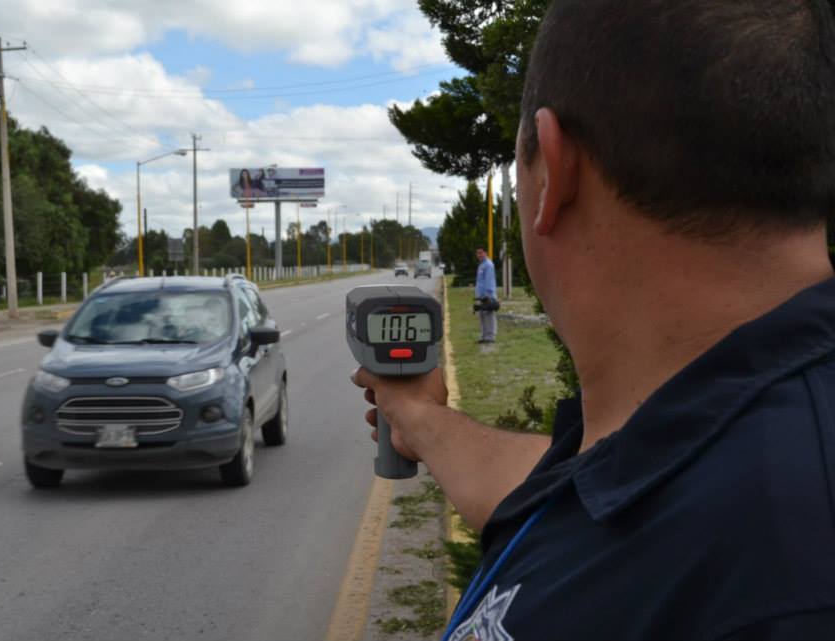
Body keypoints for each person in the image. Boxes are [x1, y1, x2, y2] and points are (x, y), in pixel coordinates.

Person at [352, 1, 835, 638]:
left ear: (552, 170)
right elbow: (582, 498)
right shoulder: (703, 439)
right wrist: (418, 417)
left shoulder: (781, 582)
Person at [474, 247, 497, 344]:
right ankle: (484, 336)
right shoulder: (481, 265)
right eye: (478, 253)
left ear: (485, 253)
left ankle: (490, 337)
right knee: (482, 316)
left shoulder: (488, 265)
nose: (479, 255)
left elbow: (489, 281)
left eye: (481, 253)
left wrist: (488, 295)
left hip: (487, 295)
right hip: (480, 295)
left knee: (488, 316)